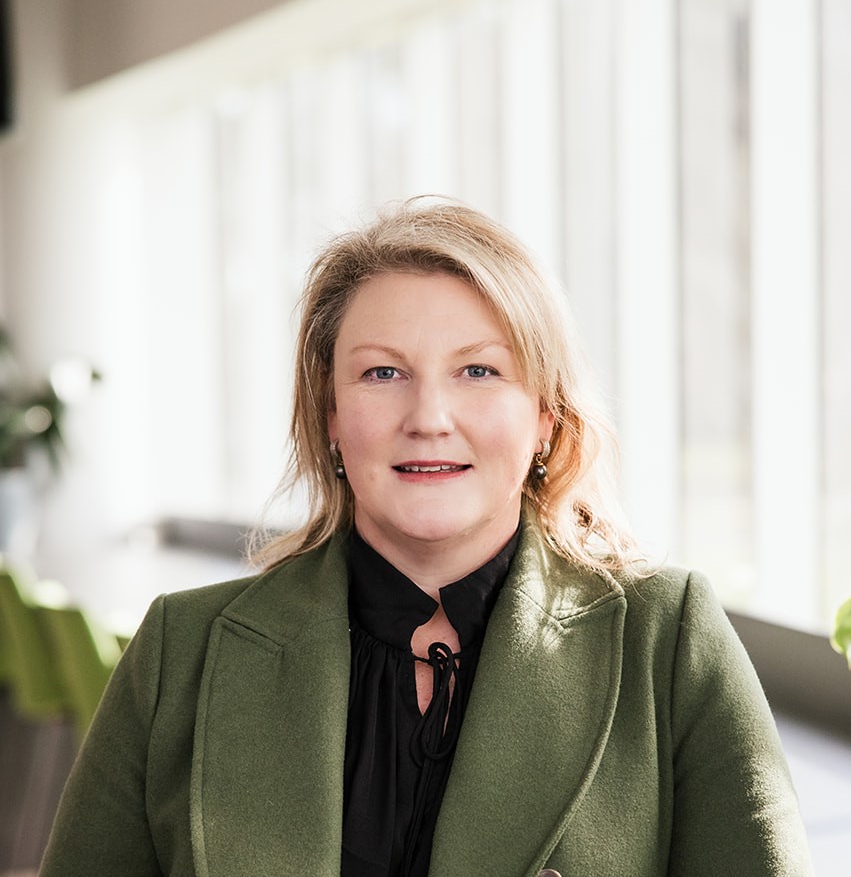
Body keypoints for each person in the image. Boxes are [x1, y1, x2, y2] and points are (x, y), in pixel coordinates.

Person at [40, 197, 813, 876]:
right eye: (382, 373)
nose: (428, 417)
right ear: (331, 418)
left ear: (544, 415)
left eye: (479, 372)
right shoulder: (183, 649)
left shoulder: (666, 638)